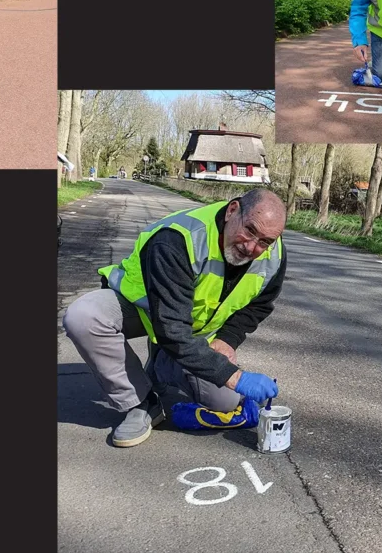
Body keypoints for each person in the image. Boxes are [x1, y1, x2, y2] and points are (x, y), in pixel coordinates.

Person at [63, 189, 285, 448]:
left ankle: (163, 363)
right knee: (84, 317)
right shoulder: (178, 239)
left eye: (264, 241)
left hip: (190, 328)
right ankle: (142, 403)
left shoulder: (273, 254)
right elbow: (171, 328)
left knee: (223, 403)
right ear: (232, 210)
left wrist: (228, 339)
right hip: (143, 308)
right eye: (249, 230)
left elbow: (259, 304)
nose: (251, 247)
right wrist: (236, 378)